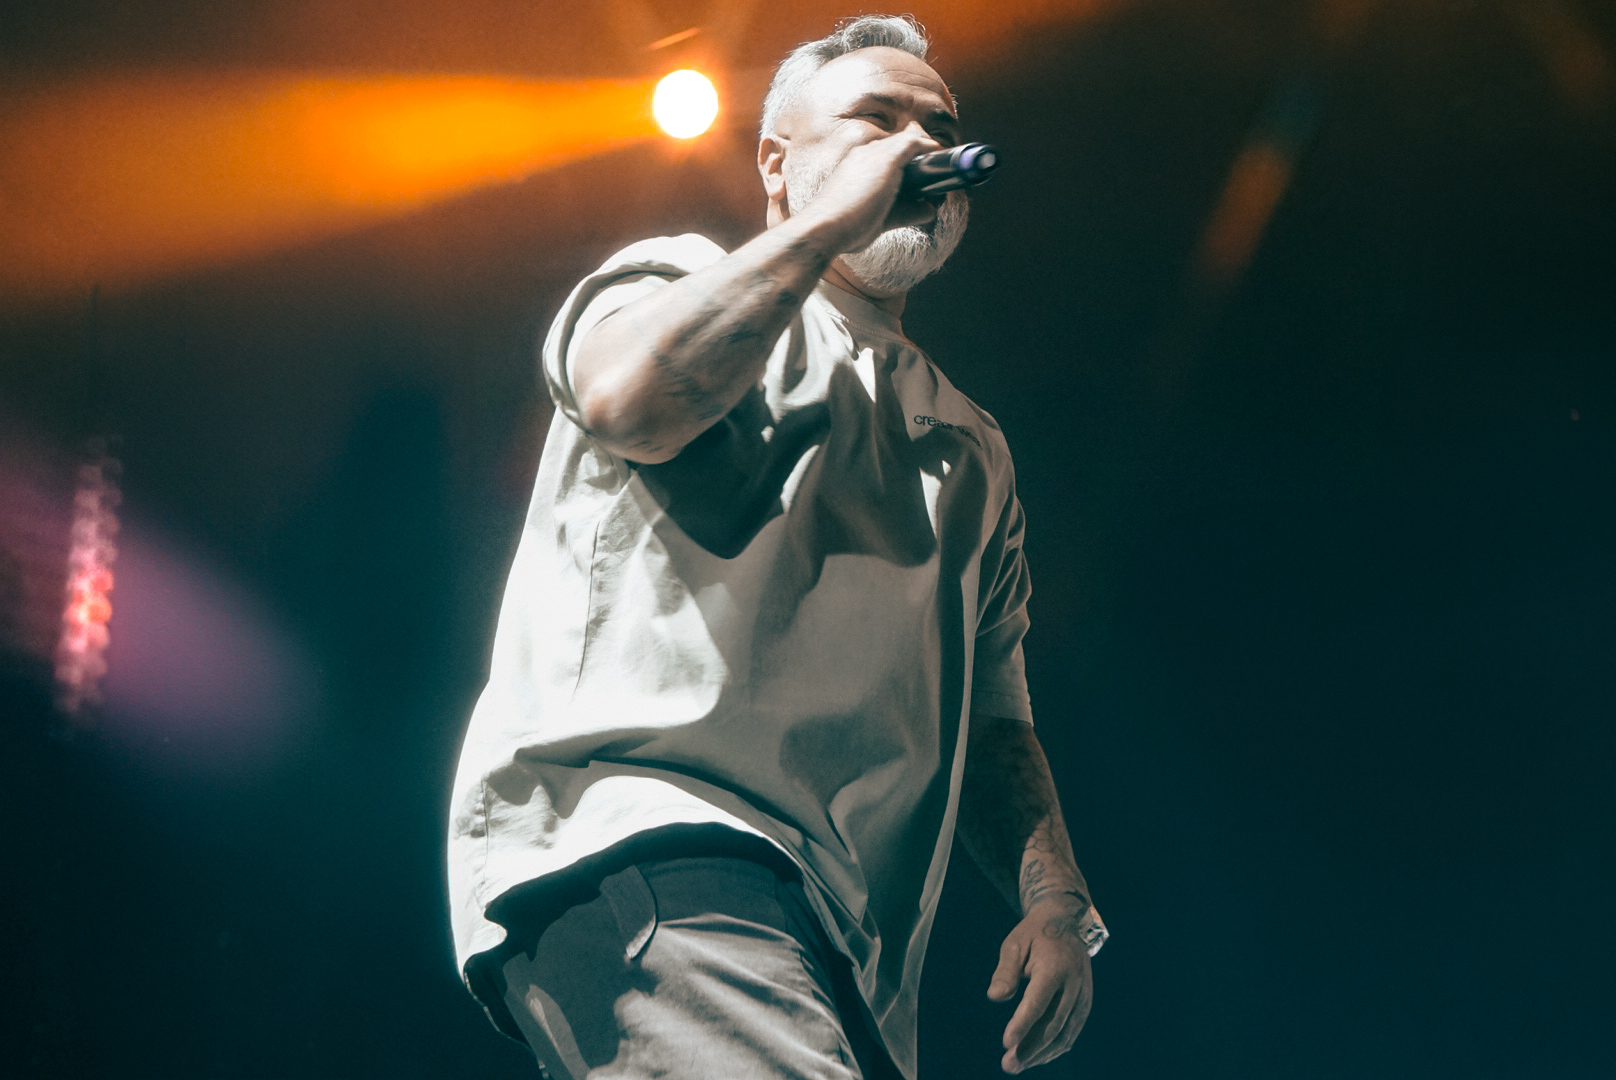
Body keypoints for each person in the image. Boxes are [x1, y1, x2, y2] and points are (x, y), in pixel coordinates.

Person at [447, 15, 1107, 1079]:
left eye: (939, 129)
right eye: (876, 119)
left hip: (845, 953)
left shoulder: (974, 448)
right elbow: (627, 399)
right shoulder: (673, 280)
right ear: (775, 163)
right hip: (656, 839)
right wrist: (831, 223)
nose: (919, 147)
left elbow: (993, 719)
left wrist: (1056, 901)